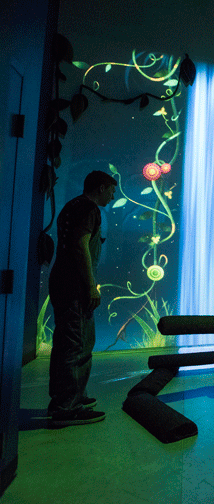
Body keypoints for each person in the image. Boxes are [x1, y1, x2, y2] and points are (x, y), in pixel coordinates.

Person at [47, 170, 116, 427]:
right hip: (75, 286)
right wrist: (90, 286)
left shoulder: (71, 205)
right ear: (100, 188)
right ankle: (68, 408)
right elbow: (80, 246)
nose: (112, 196)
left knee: (66, 342)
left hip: (61, 281)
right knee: (78, 344)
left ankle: (63, 398)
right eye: (111, 190)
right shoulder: (89, 209)